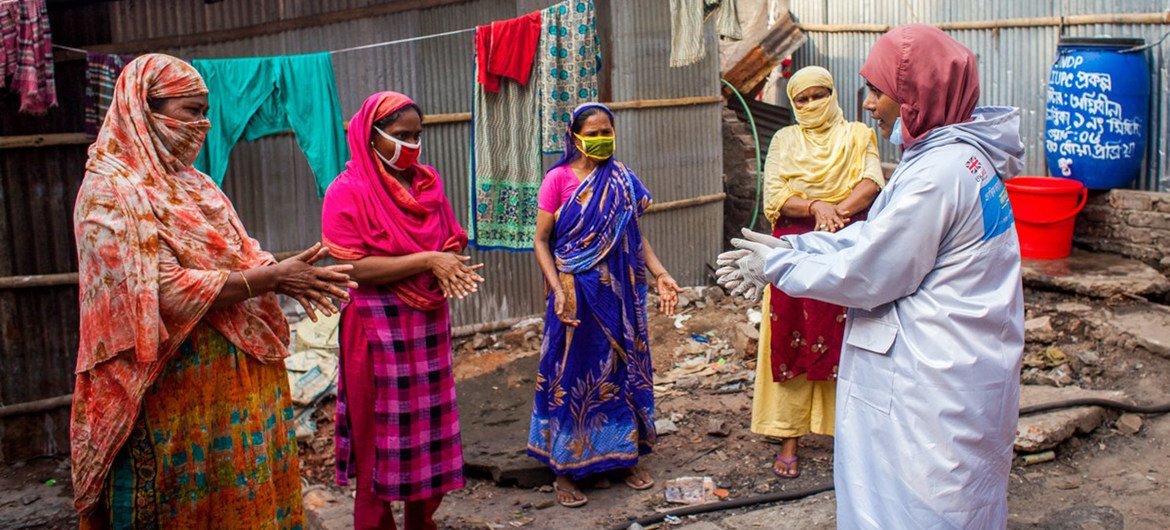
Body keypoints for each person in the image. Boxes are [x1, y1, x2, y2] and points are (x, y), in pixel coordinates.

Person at [717, 24, 1025, 528]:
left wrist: (779, 265)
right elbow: (876, 237)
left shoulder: (936, 175)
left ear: (915, 96)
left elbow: (873, 270)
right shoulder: (959, 157)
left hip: (932, 385)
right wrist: (795, 245)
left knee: (919, 507)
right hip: (959, 369)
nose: (867, 104)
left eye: (878, 91)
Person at [71, 53, 355, 529]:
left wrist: (279, 267)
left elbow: (242, 251)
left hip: (238, 393)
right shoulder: (109, 192)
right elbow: (156, 291)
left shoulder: (197, 185)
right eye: (192, 110)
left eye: (207, 111)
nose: (203, 124)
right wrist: (271, 278)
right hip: (167, 396)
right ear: (146, 108)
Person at [321, 91, 482, 530]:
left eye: (417, 135)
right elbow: (349, 265)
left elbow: (446, 233)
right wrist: (428, 261)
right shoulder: (346, 191)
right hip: (375, 329)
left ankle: (421, 520)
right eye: (399, 136)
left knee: (426, 433)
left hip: (426, 322)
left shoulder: (427, 182)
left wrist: (449, 257)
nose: (410, 145)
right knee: (378, 436)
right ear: (369, 135)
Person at [527, 103, 681, 508]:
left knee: (621, 371)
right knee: (572, 375)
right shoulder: (557, 180)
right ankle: (566, 468)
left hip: (622, 294)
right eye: (592, 132)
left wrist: (660, 273)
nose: (601, 138)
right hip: (575, 293)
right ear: (575, 136)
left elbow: (634, 234)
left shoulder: (623, 179)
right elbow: (541, 240)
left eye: (606, 131)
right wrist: (556, 288)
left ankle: (622, 457)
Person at [752, 66, 884, 479]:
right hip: (794, 250)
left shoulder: (858, 135)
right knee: (791, 339)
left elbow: (872, 181)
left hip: (847, 246)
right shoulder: (784, 139)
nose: (810, 105)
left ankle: (851, 437)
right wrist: (816, 209)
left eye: (817, 95)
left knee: (849, 338)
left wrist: (836, 213)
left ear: (833, 93)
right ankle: (789, 438)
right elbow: (775, 195)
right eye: (801, 99)